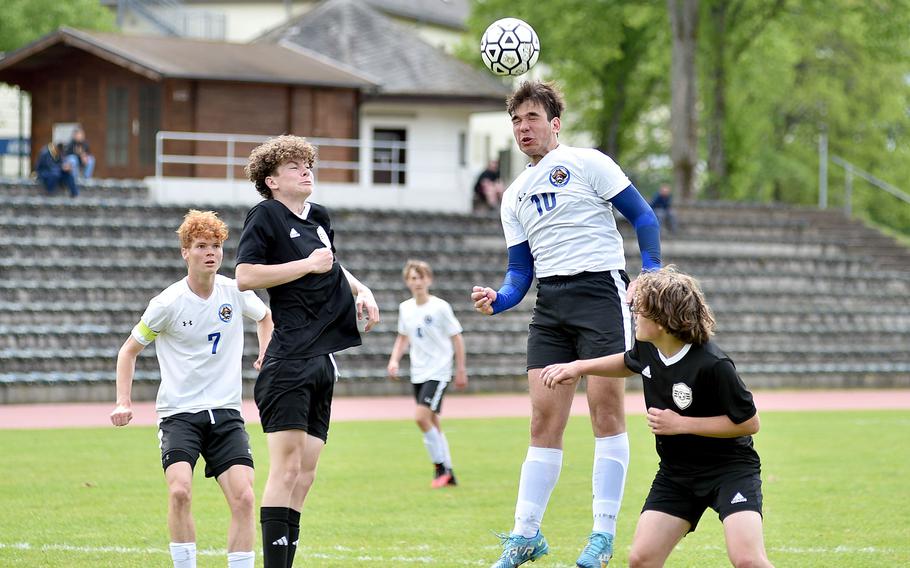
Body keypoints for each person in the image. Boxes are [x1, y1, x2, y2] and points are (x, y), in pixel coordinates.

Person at [471, 80, 661, 568]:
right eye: (515, 121)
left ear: (555, 123)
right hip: (550, 305)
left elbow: (644, 218)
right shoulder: (513, 196)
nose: (523, 128)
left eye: (532, 118)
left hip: (600, 293)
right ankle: (524, 535)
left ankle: (601, 535)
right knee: (542, 419)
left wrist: (651, 274)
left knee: (605, 412)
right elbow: (520, 271)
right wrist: (501, 297)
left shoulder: (589, 163)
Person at [540, 266, 773, 568]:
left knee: (747, 560)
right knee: (641, 559)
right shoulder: (648, 348)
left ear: (662, 320)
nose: (634, 313)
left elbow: (749, 423)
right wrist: (578, 367)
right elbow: (629, 362)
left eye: (641, 310)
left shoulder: (714, 364)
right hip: (676, 475)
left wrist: (682, 424)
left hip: (729, 471)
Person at [234, 134, 381, 568]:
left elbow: (331, 262)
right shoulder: (265, 216)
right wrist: (306, 265)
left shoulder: (319, 217)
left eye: (308, 164)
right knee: (285, 470)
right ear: (272, 180)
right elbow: (244, 276)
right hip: (289, 360)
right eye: (295, 167)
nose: (306, 171)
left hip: (322, 360)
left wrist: (363, 289)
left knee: (306, 473)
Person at [110, 209, 274, 568]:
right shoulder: (167, 304)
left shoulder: (234, 291)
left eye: (216, 245)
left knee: (245, 498)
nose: (211, 252)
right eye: (201, 246)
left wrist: (265, 351)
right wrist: (123, 400)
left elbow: (264, 317)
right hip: (179, 414)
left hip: (226, 412)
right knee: (180, 491)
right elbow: (129, 350)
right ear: (186, 252)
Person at [387, 259, 468, 488]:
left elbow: (457, 337)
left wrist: (460, 369)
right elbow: (403, 337)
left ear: (429, 279)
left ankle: (439, 466)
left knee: (421, 418)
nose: (417, 282)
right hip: (418, 371)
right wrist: (394, 359)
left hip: (439, 370)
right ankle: (449, 472)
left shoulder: (440, 307)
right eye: (413, 278)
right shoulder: (406, 308)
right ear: (407, 282)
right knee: (433, 421)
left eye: (421, 277)